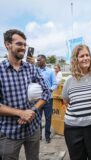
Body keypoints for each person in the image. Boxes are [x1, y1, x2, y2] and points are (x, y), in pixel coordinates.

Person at [0, 29, 50, 160]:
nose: (23, 47)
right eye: (19, 44)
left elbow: (46, 91)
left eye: (24, 44)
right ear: (7, 45)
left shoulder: (31, 68)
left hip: (33, 129)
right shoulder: (0, 71)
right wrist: (20, 113)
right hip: (9, 132)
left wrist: (32, 110)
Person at [62, 44, 91, 160]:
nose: (85, 58)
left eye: (87, 55)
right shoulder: (69, 80)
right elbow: (66, 101)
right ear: (75, 59)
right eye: (82, 56)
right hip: (73, 129)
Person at [37, 54, 57, 143]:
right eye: (37, 60)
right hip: (38, 99)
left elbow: (55, 84)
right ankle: (39, 136)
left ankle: (47, 136)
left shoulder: (50, 71)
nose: (37, 61)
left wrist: (49, 90)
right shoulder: (35, 71)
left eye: (39, 60)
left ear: (44, 60)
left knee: (48, 118)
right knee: (38, 118)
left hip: (48, 99)